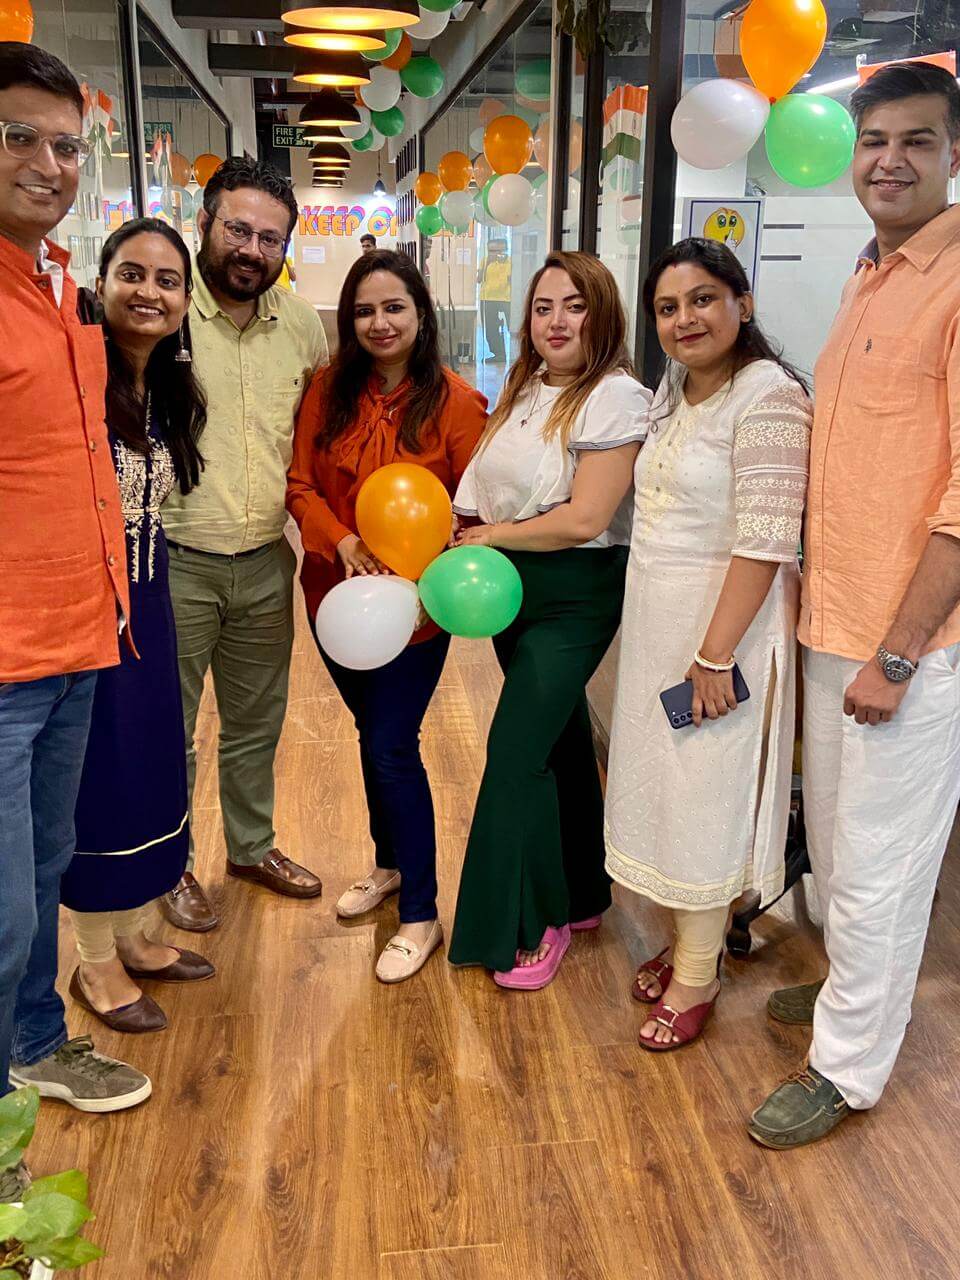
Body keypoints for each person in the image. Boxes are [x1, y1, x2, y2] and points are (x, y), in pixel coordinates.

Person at [750, 62, 960, 1148]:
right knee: (836, 849)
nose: (890, 160)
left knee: (880, 866)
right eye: (875, 139)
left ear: (953, 153)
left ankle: (848, 1066)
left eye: (917, 140)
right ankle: (850, 988)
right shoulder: (869, 276)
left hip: (910, 641)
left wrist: (903, 650)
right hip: (834, 622)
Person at [0, 45, 152, 1186]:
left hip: (78, 636)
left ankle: (35, 1043)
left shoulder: (56, 284)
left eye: (64, 144)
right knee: (1, 901)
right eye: (19, 137)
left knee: (44, 863)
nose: (48, 164)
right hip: (4, 656)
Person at [603, 238, 811, 1051]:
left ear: (742, 304)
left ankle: (698, 973)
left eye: (702, 300)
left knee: (702, 794)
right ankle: (692, 940)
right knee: (666, 788)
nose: (684, 319)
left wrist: (716, 655)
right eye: (667, 307)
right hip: (661, 622)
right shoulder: (674, 392)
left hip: (724, 630)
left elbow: (765, 542)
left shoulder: (769, 397)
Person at [448, 250, 652, 987]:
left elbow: (586, 517)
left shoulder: (617, 397)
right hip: (513, 587)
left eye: (574, 305)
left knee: (515, 753)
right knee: (559, 741)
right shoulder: (526, 388)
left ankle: (535, 921)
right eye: (543, 307)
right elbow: (489, 488)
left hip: (574, 591)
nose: (556, 321)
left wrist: (493, 536)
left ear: (603, 314)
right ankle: (583, 890)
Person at [287, 250, 487, 982]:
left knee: (392, 746)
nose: (379, 323)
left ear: (421, 314)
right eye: (364, 310)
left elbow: (473, 511)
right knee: (370, 734)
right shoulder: (327, 390)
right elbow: (299, 483)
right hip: (332, 597)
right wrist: (340, 539)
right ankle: (389, 864)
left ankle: (421, 914)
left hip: (413, 610)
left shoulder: (458, 404)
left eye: (394, 307)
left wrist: (428, 568)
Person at [159, 157, 328, 932]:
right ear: (204, 223)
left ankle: (251, 847)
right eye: (238, 229)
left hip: (265, 561)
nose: (252, 249)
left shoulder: (300, 326)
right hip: (174, 562)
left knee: (257, 723)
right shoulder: (163, 310)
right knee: (170, 729)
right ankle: (167, 864)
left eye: (270, 238)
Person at [60, 219, 214, 1034]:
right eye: (132, 274)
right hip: (87, 614)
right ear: (101, 282)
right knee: (102, 781)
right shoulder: (76, 376)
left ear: (185, 300)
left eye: (167, 280)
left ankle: (136, 934)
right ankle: (93, 960)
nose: (149, 292)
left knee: (152, 764)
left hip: (149, 603)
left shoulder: (163, 392)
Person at [478, 238, 511, 363]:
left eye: (499, 250)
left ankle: (520, 354)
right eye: (491, 251)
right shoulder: (485, 261)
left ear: (505, 250)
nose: (495, 253)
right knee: (490, 329)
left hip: (506, 299)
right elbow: (479, 279)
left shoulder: (510, 262)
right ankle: (498, 354)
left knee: (511, 327)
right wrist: (487, 264)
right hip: (487, 298)